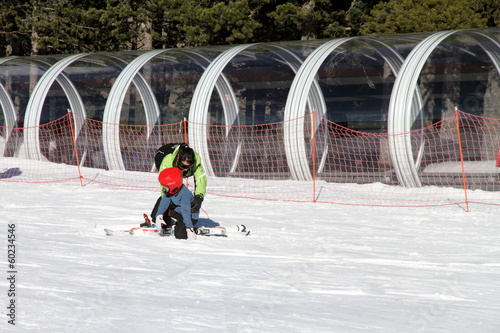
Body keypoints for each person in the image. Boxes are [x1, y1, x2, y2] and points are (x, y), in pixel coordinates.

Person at [150, 143, 207, 226]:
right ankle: (162, 215)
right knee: (172, 188)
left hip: (179, 160)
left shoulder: (196, 162)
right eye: (183, 166)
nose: (185, 169)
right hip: (162, 154)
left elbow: (201, 179)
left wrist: (199, 197)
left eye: (188, 167)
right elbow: (164, 185)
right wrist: (167, 200)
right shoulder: (168, 161)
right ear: (177, 160)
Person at [155, 167, 197, 240]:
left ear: (173, 185)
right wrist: (159, 215)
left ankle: (192, 230)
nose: (163, 189)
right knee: (160, 203)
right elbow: (164, 202)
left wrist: (189, 228)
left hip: (188, 216)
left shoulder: (185, 194)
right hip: (177, 211)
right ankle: (167, 223)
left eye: (165, 187)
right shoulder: (171, 191)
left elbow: (185, 212)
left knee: (180, 235)